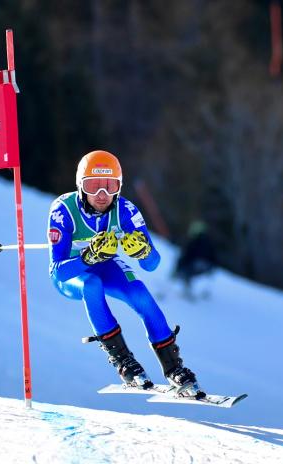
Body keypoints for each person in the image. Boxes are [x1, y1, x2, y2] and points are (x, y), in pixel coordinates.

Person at [47, 150, 202, 397]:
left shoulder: (126, 210)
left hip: (106, 265)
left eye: (110, 186)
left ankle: (174, 368)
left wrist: (143, 251)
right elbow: (58, 271)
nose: (101, 195)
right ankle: (123, 362)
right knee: (92, 285)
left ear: (119, 188)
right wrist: (87, 257)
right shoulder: (62, 210)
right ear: (80, 186)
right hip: (74, 274)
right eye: (93, 186)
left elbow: (153, 264)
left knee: (139, 292)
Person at [173, 220, 217, 298]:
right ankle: (191, 290)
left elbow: (187, 255)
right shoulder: (209, 241)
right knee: (188, 272)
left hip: (197, 264)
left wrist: (178, 267)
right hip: (207, 266)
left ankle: (187, 291)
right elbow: (214, 256)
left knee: (185, 273)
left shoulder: (194, 241)